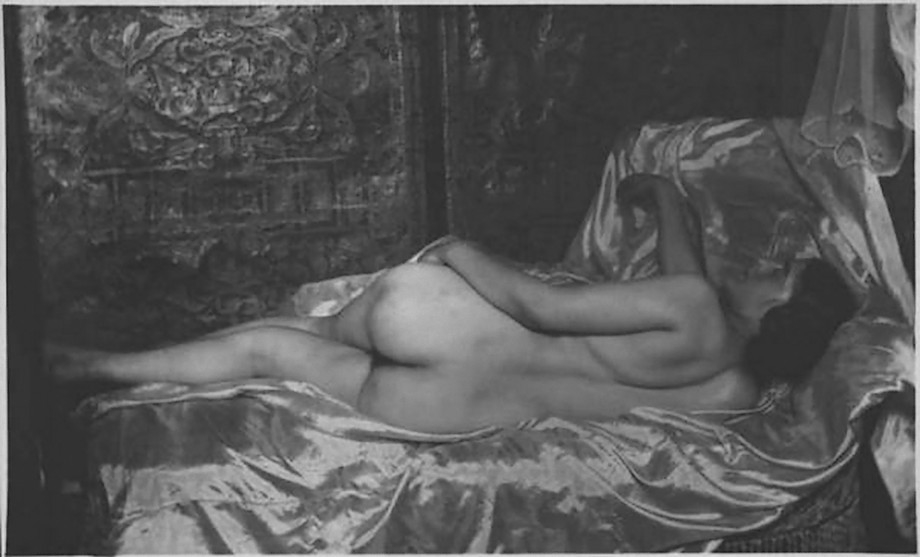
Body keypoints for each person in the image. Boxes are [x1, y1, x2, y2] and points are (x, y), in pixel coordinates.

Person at [49, 174, 857, 434]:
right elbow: (693, 293)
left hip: (449, 325)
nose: (760, 267)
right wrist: (671, 206)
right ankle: (99, 375)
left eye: (776, 271)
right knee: (274, 357)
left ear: (778, 304)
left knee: (290, 336)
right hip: (452, 408)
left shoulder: (695, 304)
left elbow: (540, 307)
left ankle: (94, 363)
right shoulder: (736, 388)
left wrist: (455, 248)